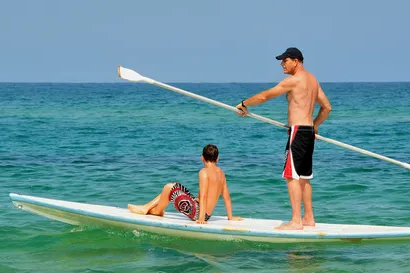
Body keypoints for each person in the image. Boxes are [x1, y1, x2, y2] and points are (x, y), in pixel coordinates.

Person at [236, 47, 331, 230]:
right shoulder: (312, 80)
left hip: (297, 132)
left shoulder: (294, 81)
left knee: (291, 176)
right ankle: (309, 218)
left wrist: (243, 104)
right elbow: (327, 107)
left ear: (296, 61)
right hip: (308, 132)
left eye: (284, 60)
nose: (282, 64)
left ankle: (296, 221)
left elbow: (265, 96)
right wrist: (315, 125)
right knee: (304, 177)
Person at [128, 144, 242, 224]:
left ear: (202, 158)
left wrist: (201, 218)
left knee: (169, 187)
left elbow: (204, 196)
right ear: (217, 159)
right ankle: (152, 209)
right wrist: (230, 217)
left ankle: (153, 210)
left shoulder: (204, 172)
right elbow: (226, 197)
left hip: (199, 213)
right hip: (204, 212)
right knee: (175, 185)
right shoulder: (221, 173)